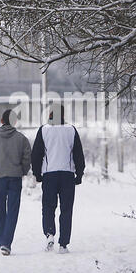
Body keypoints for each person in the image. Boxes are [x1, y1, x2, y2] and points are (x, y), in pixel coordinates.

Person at [31, 104, 85, 254]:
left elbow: (36, 154)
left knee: (48, 207)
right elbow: (78, 154)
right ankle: (63, 244)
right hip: (67, 175)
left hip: (49, 175)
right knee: (66, 209)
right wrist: (79, 174)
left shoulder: (44, 130)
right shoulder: (71, 130)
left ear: (50, 114)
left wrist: (37, 173)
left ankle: (49, 234)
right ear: (63, 115)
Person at [0, 109, 31, 256]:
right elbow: (27, 158)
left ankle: (2, 242)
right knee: (13, 210)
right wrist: (22, 171)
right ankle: (6, 243)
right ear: (15, 121)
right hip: (15, 177)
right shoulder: (21, 139)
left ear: (2, 120)